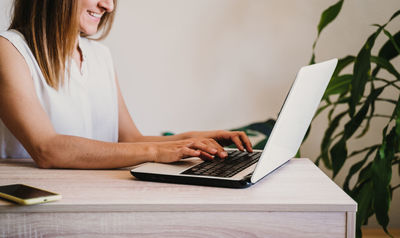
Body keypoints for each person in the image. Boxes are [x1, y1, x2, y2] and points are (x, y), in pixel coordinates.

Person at [0, 0, 252, 169]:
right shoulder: (10, 50)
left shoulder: (100, 56)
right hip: (39, 208)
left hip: (101, 194)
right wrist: (155, 151)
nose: (108, 5)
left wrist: (193, 139)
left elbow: (129, 139)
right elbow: (47, 149)